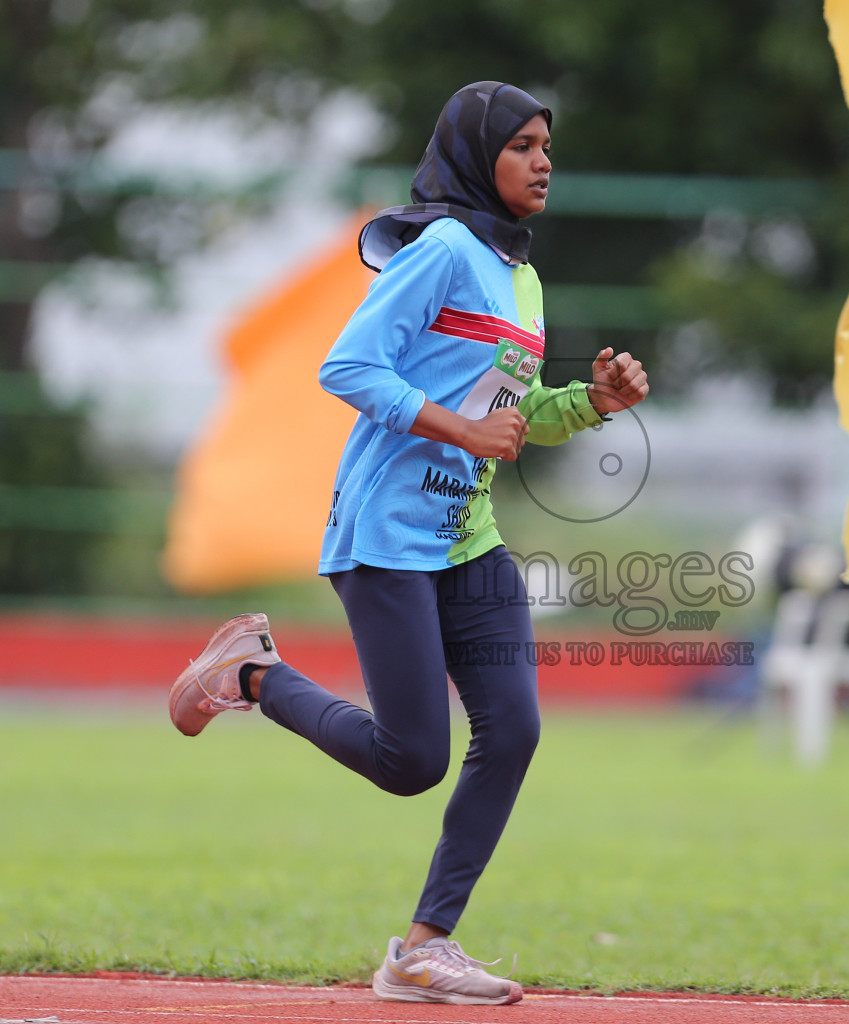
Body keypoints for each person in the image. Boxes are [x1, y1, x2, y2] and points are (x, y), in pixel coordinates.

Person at [167, 81, 648, 1006]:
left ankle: (423, 948)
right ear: (475, 156)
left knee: (512, 731)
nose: (543, 160)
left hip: (469, 540)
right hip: (385, 534)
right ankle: (251, 673)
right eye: (522, 145)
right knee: (412, 761)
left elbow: (510, 418)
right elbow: (344, 365)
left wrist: (593, 402)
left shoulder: (521, 277)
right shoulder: (444, 252)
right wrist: (461, 434)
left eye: (549, 144)